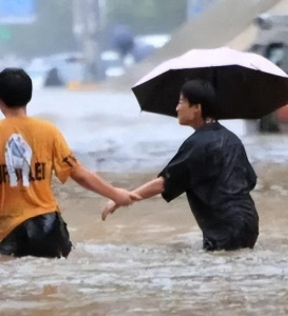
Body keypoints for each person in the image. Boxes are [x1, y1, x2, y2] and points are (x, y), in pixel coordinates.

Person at [0, 68, 139, 258]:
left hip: (13, 231)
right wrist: (116, 194)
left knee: (12, 285)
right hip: (50, 225)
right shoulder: (48, 131)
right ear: (29, 97)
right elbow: (79, 173)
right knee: (52, 283)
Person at [102, 80, 259, 252]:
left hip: (224, 227)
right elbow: (250, 179)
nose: (176, 108)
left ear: (197, 108)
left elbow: (166, 182)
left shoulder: (197, 144)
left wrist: (125, 197)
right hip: (249, 221)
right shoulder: (232, 139)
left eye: (181, 102)